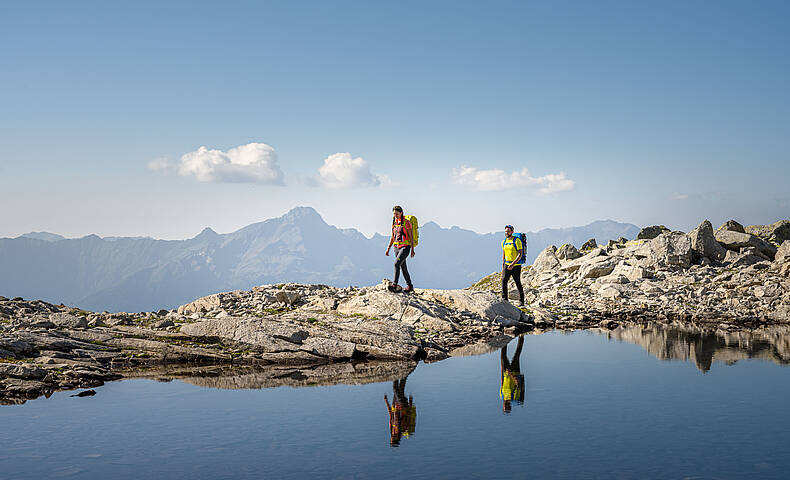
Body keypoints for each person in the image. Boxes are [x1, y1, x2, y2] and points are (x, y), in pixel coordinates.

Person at [385, 205, 415, 293]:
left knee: (396, 264)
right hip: (396, 248)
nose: (395, 215)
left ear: (401, 213)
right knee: (403, 267)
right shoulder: (394, 223)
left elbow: (411, 237)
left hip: (405, 248)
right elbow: (392, 237)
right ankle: (410, 286)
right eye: (394, 214)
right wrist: (388, 248)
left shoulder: (407, 222)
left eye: (397, 214)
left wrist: (412, 249)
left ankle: (394, 285)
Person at [384, 377, 416, 446]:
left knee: (400, 388)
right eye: (392, 439)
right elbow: (406, 415)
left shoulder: (392, 429)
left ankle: (403, 374)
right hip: (402, 405)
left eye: (391, 439)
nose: (391, 438)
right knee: (395, 389)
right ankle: (398, 374)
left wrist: (386, 402)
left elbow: (391, 414)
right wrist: (410, 403)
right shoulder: (400, 428)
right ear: (395, 438)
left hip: (396, 404)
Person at [500, 336, 525, 414]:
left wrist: (502, 369)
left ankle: (505, 337)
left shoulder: (502, 397)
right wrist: (511, 375)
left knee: (502, 356)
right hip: (514, 372)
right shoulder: (514, 397)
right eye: (507, 407)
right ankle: (521, 335)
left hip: (506, 372)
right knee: (517, 353)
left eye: (505, 407)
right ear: (510, 406)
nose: (506, 405)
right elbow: (518, 384)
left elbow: (502, 383)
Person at [502, 225, 525, 306]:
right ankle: (505, 299)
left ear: (512, 232)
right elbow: (504, 253)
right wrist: (503, 264)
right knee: (504, 281)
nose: (506, 233)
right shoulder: (504, 241)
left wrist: (513, 264)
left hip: (516, 265)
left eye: (508, 231)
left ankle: (521, 301)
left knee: (517, 282)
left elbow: (520, 254)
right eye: (505, 231)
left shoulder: (517, 240)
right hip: (506, 264)